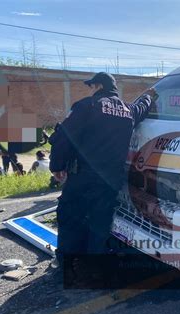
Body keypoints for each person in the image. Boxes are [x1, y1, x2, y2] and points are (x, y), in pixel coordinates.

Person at [49, 72, 155, 268]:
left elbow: (64, 137)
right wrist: (150, 95)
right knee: (100, 224)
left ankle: (67, 265)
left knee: (71, 217)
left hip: (82, 176)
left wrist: (57, 166)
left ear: (97, 86)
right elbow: (143, 106)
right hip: (110, 180)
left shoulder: (86, 106)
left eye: (92, 86)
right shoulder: (128, 111)